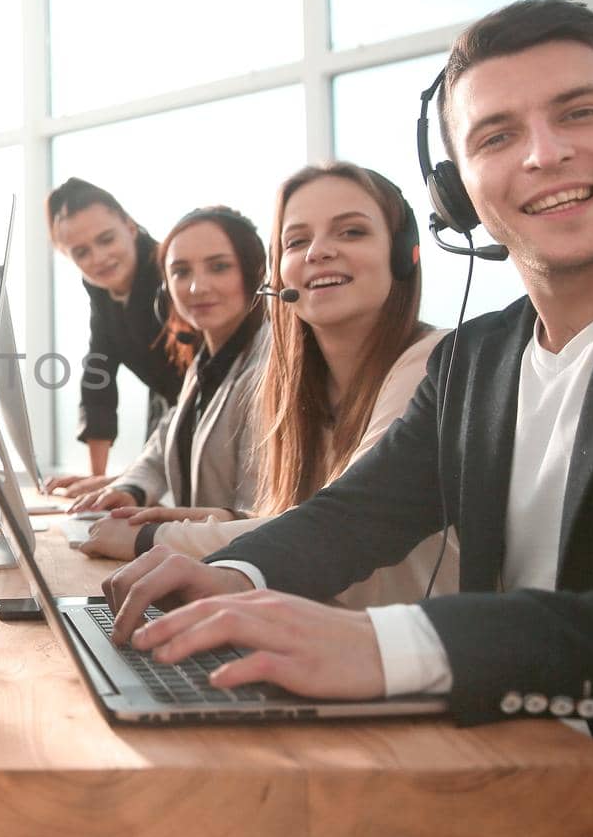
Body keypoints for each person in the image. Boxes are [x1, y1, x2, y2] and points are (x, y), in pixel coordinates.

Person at [104, 0, 593, 837]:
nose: (543, 153)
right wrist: (232, 574)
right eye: (494, 136)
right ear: (458, 193)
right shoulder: (481, 357)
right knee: (177, 835)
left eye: (579, 112)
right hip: (494, 775)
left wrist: (401, 647)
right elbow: (356, 513)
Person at [79, 165, 458, 609]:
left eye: (351, 232)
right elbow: (299, 514)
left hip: (406, 658)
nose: (318, 252)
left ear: (403, 253)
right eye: (296, 241)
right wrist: (219, 518)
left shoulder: (433, 363)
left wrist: (151, 537)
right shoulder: (295, 382)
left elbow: (342, 527)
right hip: (312, 629)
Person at [62, 207, 270, 521]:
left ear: (255, 273)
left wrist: (150, 534)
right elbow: (162, 447)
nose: (197, 287)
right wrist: (130, 489)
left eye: (219, 267)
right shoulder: (205, 361)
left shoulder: (268, 372)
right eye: (181, 272)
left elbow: (258, 518)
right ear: (166, 288)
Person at [41, 178, 183, 493]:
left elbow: (206, 383)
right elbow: (98, 377)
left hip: (221, 416)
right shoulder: (101, 292)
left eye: (106, 239)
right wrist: (97, 478)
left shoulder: (173, 275)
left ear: (130, 227)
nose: (99, 258)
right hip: (172, 418)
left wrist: (121, 481)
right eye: (81, 252)